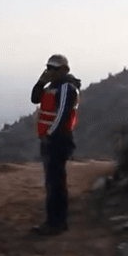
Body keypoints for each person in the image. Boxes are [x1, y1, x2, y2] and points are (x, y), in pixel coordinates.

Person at [30, 54, 81, 236]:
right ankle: (53, 221)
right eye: (48, 67)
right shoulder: (52, 86)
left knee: (56, 183)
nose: (50, 71)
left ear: (64, 70)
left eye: (54, 68)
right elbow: (35, 98)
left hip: (58, 140)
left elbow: (62, 114)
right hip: (50, 139)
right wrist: (40, 82)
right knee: (52, 182)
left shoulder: (66, 87)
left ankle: (56, 223)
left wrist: (50, 134)